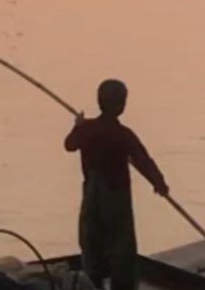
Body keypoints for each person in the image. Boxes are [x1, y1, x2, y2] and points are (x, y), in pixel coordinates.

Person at [64, 79, 169, 290]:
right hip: (116, 200)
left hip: (92, 199)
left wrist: (77, 126)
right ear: (121, 105)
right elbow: (142, 160)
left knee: (92, 242)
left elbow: (69, 145)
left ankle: (92, 283)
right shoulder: (123, 135)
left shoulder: (87, 130)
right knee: (121, 247)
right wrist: (159, 183)